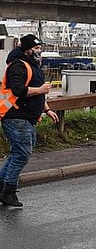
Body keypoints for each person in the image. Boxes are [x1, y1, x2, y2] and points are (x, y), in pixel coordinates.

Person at [0, 34, 59, 207]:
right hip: (16, 116)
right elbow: (18, 90)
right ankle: (9, 191)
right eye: (36, 48)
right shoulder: (18, 66)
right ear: (27, 50)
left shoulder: (33, 66)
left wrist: (46, 109)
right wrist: (40, 90)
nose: (39, 51)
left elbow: (39, 92)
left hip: (26, 117)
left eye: (40, 48)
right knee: (22, 154)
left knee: (18, 153)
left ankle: (2, 187)